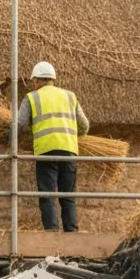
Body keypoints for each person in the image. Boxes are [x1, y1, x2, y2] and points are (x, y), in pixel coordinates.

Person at [12, 61, 89, 232]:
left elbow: (20, 124)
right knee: (67, 195)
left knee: (47, 194)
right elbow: (84, 125)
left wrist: (9, 138)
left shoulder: (32, 97)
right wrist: (72, 136)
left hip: (46, 151)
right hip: (69, 151)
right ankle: (72, 231)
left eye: (34, 81)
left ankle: (51, 231)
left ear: (38, 80)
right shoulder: (70, 96)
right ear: (52, 79)